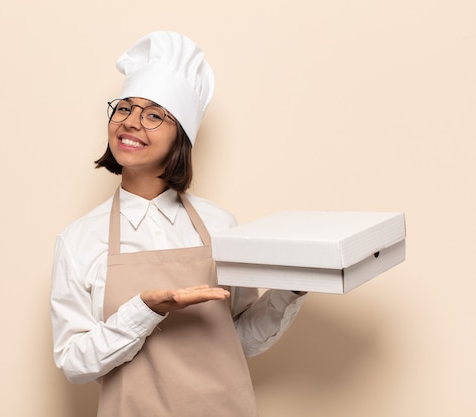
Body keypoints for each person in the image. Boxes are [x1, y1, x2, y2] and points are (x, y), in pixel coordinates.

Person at [51, 31, 306, 417]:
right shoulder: (80, 239)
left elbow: (238, 340)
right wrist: (146, 310)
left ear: (180, 136)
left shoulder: (220, 224)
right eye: (124, 109)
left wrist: (292, 288)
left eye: (154, 115)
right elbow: (73, 363)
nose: (131, 123)